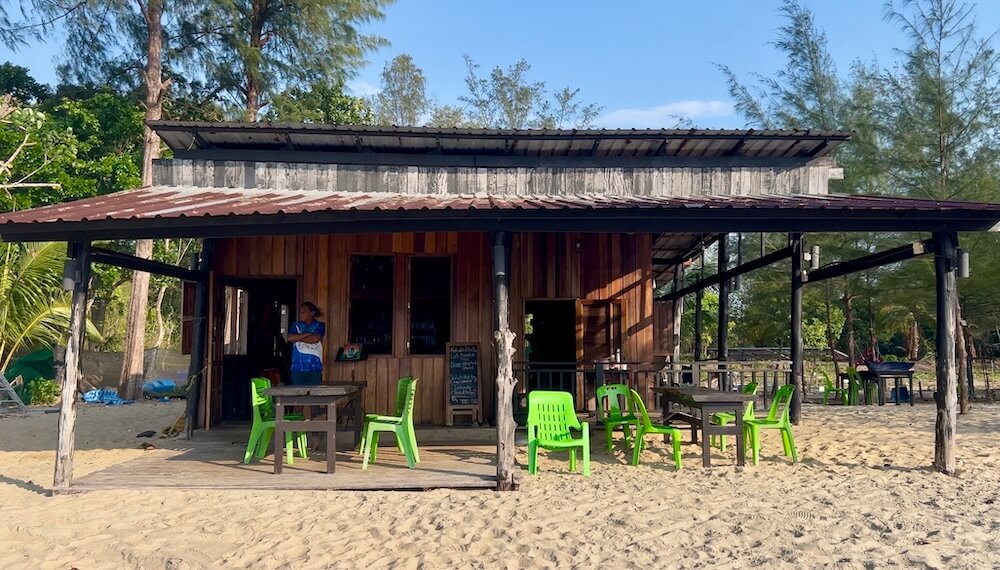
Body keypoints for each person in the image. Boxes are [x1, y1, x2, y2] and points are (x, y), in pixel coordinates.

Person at [287, 302, 325, 385]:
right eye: (300, 311)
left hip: (314, 368)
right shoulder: (296, 325)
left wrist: (298, 338)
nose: (300, 314)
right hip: (297, 368)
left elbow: (315, 339)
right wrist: (308, 334)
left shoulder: (319, 325)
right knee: (297, 394)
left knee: (313, 395)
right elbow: (290, 338)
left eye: (303, 311)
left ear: (312, 313)